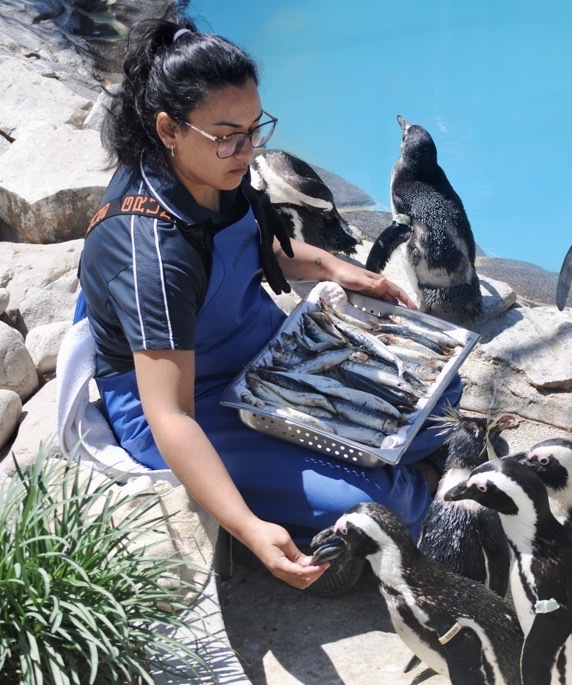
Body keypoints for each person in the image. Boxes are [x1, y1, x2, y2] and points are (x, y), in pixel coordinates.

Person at [74, 7, 462, 594]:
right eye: (228, 136)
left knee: (441, 400)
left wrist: (335, 267)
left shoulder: (215, 172)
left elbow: (259, 249)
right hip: (187, 400)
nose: (247, 148)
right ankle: (337, 511)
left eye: (255, 128)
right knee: (383, 503)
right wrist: (251, 529)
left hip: (260, 353)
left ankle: (387, 480)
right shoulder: (150, 251)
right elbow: (170, 416)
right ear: (168, 129)